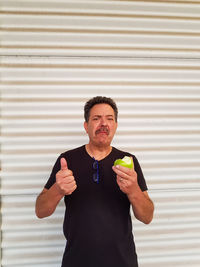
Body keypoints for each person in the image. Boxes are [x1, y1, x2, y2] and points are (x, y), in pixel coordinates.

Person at [35, 96, 154, 267]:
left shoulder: (129, 161)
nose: (103, 124)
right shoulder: (67, 160)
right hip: (76, 261)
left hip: (122, 261)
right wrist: (57, 190)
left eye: (109, 119)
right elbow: (40, 211)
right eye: (96, 119)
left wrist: (133, 190)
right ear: (86, 126)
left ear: (116, 126)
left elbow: (147, 217)